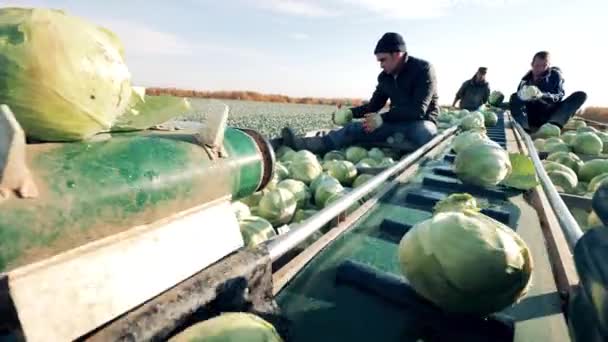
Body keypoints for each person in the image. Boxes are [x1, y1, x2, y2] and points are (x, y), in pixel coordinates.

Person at [281, 32, 438, 154]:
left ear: (397, 54)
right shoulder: (385, 78)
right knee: (353, 129)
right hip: (396, 123)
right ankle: (307, 145)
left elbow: (418, 111)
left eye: (383, 60)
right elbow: (372, 107)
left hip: (420, 122)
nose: (381, 65)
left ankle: (414, 158)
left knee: (425, 134)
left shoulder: (423, 70)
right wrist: (349, 113)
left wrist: (382, 118)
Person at [510, 51, 587, 132]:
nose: (540, 69)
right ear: (532, 64)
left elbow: (559, 95)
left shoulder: (555, 76)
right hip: (531, 115)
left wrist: (542, 95)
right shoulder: (524, 81)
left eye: (544, 65)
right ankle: (523, 128)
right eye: (537, 65)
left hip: (549, 114)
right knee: (515, 96)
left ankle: (554, 125)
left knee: (580, 95)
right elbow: (518, 104)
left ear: (549, 65)